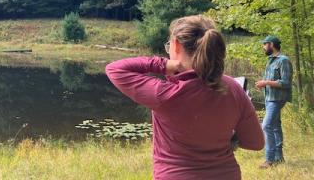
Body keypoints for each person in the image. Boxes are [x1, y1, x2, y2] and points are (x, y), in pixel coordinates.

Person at [105, 15, 264, 180]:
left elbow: (115, 69)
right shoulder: (233, 88)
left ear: (176, 45)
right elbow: (255, 143)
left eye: (169, 46)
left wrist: (162, 64)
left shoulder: (166, 93)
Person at [255, 35, 292, 169]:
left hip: (277, 99)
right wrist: (263, 85)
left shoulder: (284, 61)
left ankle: (269, 160)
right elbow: (272, 81)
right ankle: (279, 158)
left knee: (266, 126)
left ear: (271, 44)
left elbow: (286, 83)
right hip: (269, 98)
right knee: (275, 127)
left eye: (265, 44)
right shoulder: (270, 61)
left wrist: (266, 82)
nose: (263, 47)